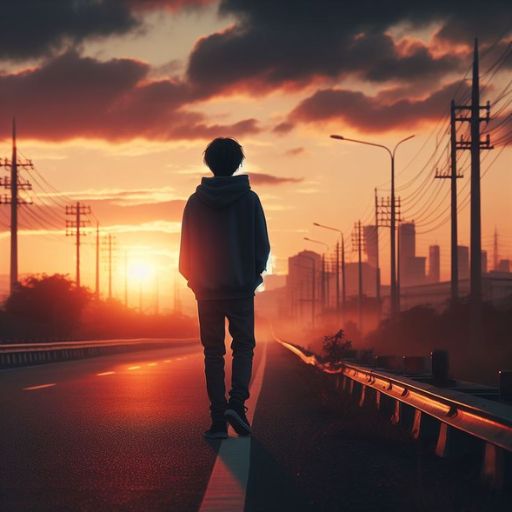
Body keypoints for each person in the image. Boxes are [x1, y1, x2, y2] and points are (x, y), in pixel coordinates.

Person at [179, 137, 270, 439]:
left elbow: (185, 251)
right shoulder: (250, 199)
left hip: (206, 291)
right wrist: (252, 276)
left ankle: (218, 420)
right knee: (243, 346)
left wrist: (195, 280)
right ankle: (237, 405)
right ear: (238, 163)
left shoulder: (195, 202)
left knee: (213, 352)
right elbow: (262, 246)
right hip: (241, 289)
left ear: (209, 163)